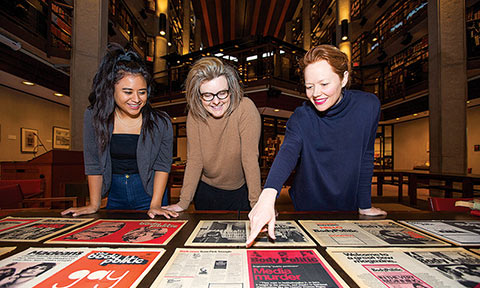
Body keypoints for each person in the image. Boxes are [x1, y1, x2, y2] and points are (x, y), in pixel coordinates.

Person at [247, 45, 386, 246]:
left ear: (344, 78)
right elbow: (287, 153)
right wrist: (268, 195)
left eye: (324, 84)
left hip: (347, 201)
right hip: (307, 203)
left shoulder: (369, 106)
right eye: (309, 86)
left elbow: (366, 154)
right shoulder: (301, 117)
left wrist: (364, 205)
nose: (316, 93)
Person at [61, 43, 176, 219]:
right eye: (128, 92)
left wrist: (155, 204)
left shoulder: (161, 122)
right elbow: (93, 163)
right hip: (114, 194)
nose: (136, 99)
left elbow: (162, 166)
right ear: (111, 89)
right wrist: (94, 204)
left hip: (150, 194)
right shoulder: (94, 116)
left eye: (142, 92)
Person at [162, 57, 261, 212]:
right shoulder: (194, 115)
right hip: (206, 190)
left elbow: (249, 157)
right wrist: (183, 202)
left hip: (239, 191)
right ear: (198, 96)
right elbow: (195, 160)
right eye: (207, 95)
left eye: (222, 93)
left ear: (231, 90)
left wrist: (256, 203)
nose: (216, 101)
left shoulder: (245, 108)